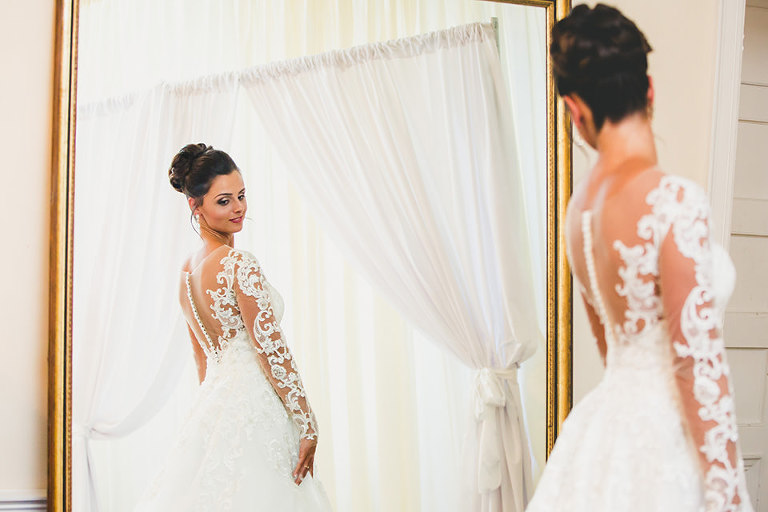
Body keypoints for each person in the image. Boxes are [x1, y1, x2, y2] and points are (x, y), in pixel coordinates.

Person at [526, 5, 752, 511]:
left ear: (574, 109)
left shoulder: (578, 212)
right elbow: (695, 366)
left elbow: (614, 350)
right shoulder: (674, 201)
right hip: (669, 443)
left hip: (605, 438)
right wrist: (729, 496)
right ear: (649, 90)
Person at [135, 144, 331, 511]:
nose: (239, 208)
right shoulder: (239, 263)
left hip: (221, 403)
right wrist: (307, 421)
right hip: (257, 405)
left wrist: (213, 420)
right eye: (224, 201)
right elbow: (270, 348)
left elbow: (203, 362)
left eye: (241, 195)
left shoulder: (185, 274)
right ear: (195, 206)